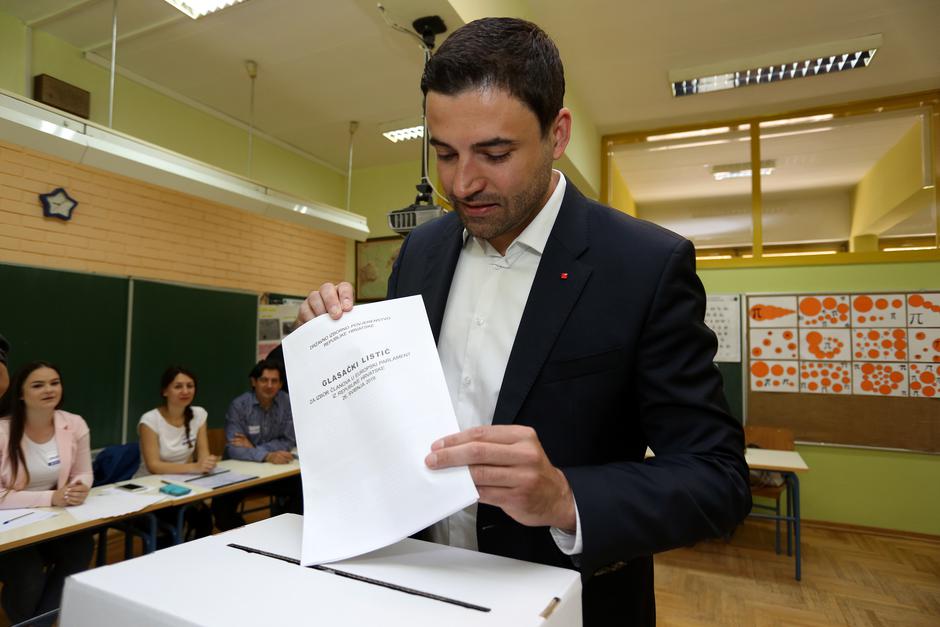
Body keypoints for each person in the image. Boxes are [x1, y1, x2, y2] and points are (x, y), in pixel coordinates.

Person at [300, 17, 750, 626]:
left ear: (557, 133)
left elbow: (717, 480)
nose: (463, 183)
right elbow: (397, 421)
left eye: (495, 153)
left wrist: (566, 497)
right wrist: (333, 349)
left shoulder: (645, 265)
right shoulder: (421, 253)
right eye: (445, 154)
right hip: (416, 587)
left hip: (565, 603)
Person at [0, 361, 94, 625]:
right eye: (38, 385)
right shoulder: (2, 431)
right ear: (20, 393)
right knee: (28, 576)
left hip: (51, 521)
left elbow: (84, 472)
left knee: (81, 548)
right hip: (8, 529)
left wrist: (79, 488)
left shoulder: (73, 424)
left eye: (55, 383)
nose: (49, 389)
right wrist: (50, 498)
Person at [211, 359, 300, 531]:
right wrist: (267, 455)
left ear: (281, 384)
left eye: (274, 381)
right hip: (240, 472)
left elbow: (289, 440)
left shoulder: (286, 402)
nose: (269, 385)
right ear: (254, 382)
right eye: (264, 380)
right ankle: (247, 538)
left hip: (274, 471)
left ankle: (284, 532)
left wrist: (252, 448)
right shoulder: (239, 405)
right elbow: (234, 447)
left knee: (302, 489)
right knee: (220, 506)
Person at [134, 366, 215, 540]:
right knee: (170, 523)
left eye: (190, 386)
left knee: (204, 519)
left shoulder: (198, 414)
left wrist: (208, 462)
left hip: (182, 483)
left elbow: (203, 454)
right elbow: (154, 466)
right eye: (178, 386)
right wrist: (196, 467)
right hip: (150, 488)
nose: (185, 391)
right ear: (165, 391)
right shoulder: (150, 420)